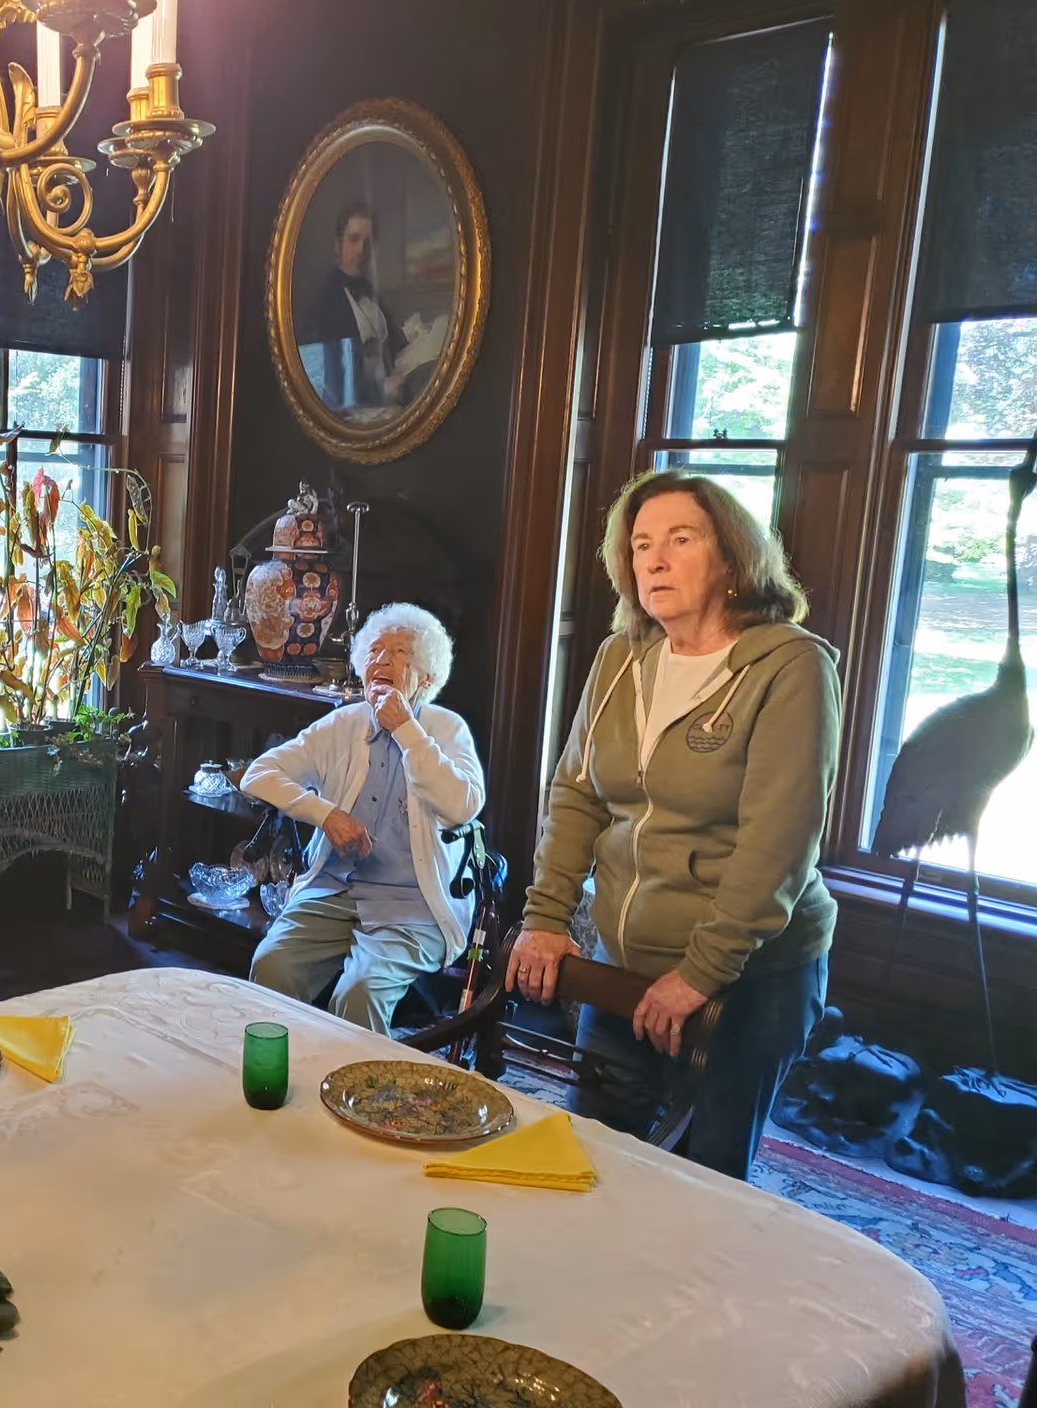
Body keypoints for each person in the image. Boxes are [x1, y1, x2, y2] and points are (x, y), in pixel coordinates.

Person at [510, 470, 840, 1180]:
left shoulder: (791, 668)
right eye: (639, 545)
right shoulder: (618, 659)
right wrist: (546, 917)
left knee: (702, 1182)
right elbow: (576, 795)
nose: (654, 560)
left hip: (747, 975)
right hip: (625, 963)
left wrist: (700, 974)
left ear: (730, 557)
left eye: (680, 540)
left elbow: (777, 844)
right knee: (587, 1158)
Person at [242, 604, 486, 1034]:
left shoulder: (448, 730)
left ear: (427, 677)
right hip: (332, 891)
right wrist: (325, 814)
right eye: (374, 651)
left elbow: (464, 805)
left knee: (359, 993)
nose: (382, 660)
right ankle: (279, 1076)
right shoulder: (343, 724)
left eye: (399, 652)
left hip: (412, 907)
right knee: (271, 965)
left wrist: (407, 730)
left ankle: (362, 1096)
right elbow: (257, 774)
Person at [298, 202, 405, 413]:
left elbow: (395, 344)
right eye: (353, 239)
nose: (361, 250)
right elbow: (330, 388)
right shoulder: (327, 304)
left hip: (389, 405)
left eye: (368, 242)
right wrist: (382, 391)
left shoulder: (371, 294)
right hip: (354, 417)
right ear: (337, 245)